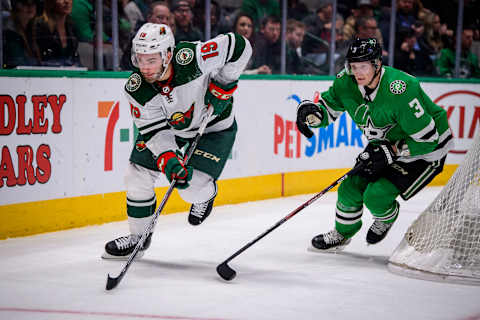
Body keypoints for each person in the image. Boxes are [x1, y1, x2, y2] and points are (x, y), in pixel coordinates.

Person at [102, 23, 252, 259]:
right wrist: (169, 160)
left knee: (192, 191)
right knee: (136, 174)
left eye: (151, 60)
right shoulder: (137, 88)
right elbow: (152, 131)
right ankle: (138, 238)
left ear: (168, 54)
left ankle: (207, 195)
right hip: (173, 130)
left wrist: (223, 84)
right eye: (140, 59)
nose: (145, 67)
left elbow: (240, 46)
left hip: (214, 125)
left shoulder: (191, 58)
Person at [296, 38, 453, 251]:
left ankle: (386, 217)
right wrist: (312, 114)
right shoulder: (346, 83)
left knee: (376, 195)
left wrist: (394, 150)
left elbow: (428, 139)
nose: (357, 72)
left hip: (425, 152)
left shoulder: (400, 90)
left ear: (377, 64)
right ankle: (342, 235)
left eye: (363, 66)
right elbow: (328, 108)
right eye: (353, 66)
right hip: (386, 144)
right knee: (349, 188)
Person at [28, 0, 82, 67]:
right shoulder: (39, 25)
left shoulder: (71, 25)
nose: (67, 1)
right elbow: (36, 59)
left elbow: (74, 57)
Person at [2, 0, 38, 68]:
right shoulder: (8, 33)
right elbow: (18, 63)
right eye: (25, 3)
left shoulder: (32, 30)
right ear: (15, 5)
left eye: (34, 3)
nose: (30, 7)